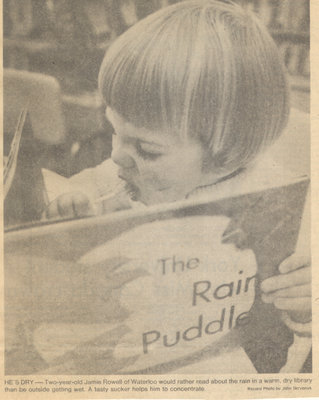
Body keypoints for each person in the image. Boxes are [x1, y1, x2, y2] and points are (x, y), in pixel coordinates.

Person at [45, 0, 311, 371]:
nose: (118, 155)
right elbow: (83, 187)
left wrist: (305, 303)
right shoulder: (125, 173)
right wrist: (74, 204)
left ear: (227, 149)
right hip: (138, 352)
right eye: (115, 132)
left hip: (219, 373)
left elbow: (295, 330)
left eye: (147, 149)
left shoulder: (286, 207)